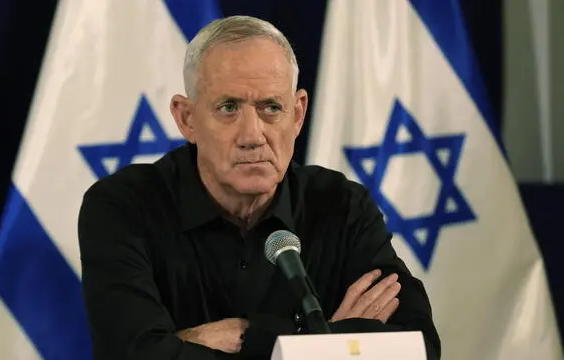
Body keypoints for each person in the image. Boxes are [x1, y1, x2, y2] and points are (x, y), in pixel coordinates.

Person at [78, 15, 441, 360]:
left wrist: (246, 338)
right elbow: (131, 355)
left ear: (297, 114)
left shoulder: (341, 205)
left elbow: (417, 346)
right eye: (229, 107)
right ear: (187, 118)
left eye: (271, 107)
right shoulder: (122, 207)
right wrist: (327, 340)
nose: (252, 136)